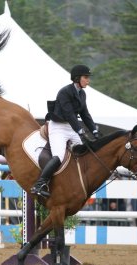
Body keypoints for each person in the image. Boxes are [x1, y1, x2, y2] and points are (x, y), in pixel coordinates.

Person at [31, 64, 101, 198]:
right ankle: (39, 184)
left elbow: (85, 114)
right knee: (59, 156)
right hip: (58, 127)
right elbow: (69, 114)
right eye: (86, 77)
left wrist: (94, 131)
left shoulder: (82, 93)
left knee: (83, 152)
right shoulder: (64, 92)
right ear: (77, 78)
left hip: (71, 127)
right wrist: (80, 131)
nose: (88, 80)